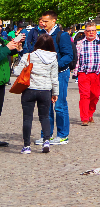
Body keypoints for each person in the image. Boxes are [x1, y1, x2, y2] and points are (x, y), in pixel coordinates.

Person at [21, 10, 73, 146]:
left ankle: (62, 135)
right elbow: (34, 51)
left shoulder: (62, 36)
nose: (42, 23)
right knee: (46, 106)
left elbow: (68, 55)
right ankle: (46, 135)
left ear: (53, 21)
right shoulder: (41, 34)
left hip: (60, 73)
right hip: (44, 75)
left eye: (45, 21)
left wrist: (54, 66)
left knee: (60, 105)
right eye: (42, 21)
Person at [14, 34, 58, 154]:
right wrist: (55, 93)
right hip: (45, 90)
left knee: (27, 118)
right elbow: (54, 78)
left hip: (29, 89)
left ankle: (27, 146)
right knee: (44, 117)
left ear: (37, 43)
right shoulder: (53, 58)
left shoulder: (29, 56)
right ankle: (46, 141)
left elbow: (16, 71)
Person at [74, 23, 100, 126]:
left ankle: (90, 112)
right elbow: (73, 55)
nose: (91, 32)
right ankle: (85, 118)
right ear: (85, 32)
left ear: (96, 31)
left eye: (93, 30)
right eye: (89, 30)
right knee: (84, 95)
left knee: (95, 95)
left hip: (97, 73)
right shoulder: (79, 43)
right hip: (83, 73)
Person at [0, 29, 24, 145]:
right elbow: (3, 52)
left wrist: (16, 44)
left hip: (1, 81)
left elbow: (10, 52)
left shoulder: (1, 40)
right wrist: (6, 48)